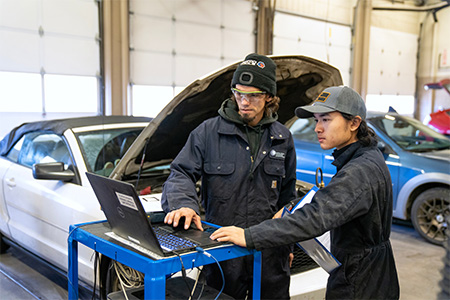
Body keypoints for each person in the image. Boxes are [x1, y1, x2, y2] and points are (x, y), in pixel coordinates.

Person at [211, 86, 400, 300]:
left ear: (354, 123)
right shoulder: (367, 157)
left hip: (361, 281)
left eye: (326, 120)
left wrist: (249, 235)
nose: (318, 128)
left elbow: (315, 218)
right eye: (317, 120)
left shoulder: (359, 171)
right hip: (366, 270)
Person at [161, 53, 297, 299]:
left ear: (268, 97)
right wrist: (184, 204)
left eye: (253, 96)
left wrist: (288, 242)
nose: (244, 101)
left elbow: (288, 196)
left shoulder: (282, 137)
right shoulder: (209, 132)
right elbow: (181, 171)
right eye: (238, 93)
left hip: (268, 253)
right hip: (222, 252)